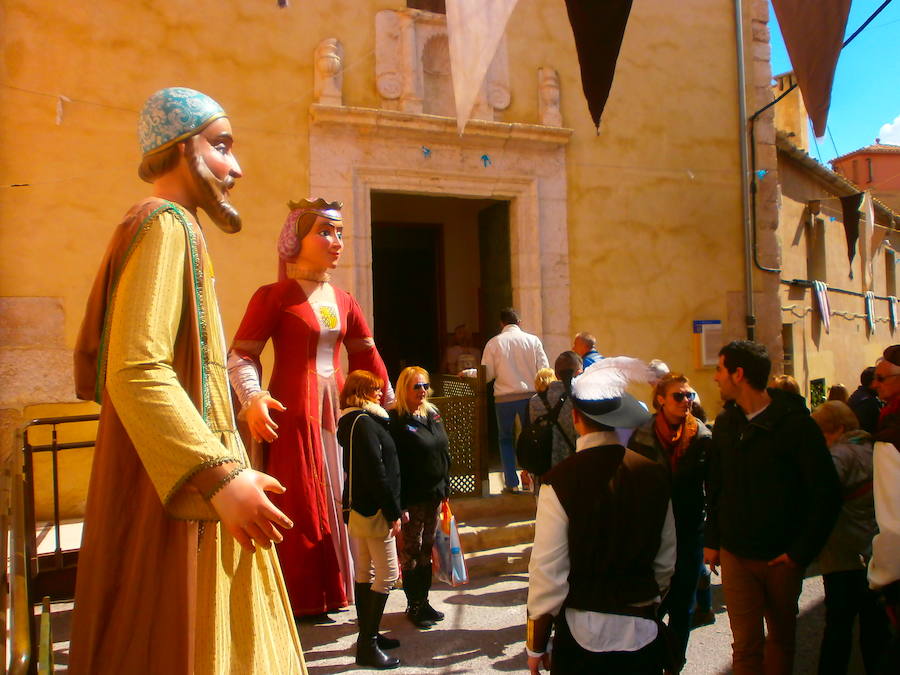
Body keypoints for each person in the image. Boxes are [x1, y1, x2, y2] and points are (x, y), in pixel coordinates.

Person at [70, 87, 305, 673]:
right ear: (181, 149)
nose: (237, 167)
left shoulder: (171, 227)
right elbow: (136, 368)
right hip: (196, 486)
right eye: (222, 147)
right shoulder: (166, 223)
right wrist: (220, 477)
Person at [227, 198, 393, 617]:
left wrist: (395, 406)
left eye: (339, 233)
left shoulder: (344, 299)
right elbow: (242, 355)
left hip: (340, 413)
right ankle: (303, 595)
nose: (336, 241)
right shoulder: (274, 296)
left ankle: (349, 585)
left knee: (346, 491)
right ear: (294, 239)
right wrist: (254, 397)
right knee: (300, 500)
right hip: (293, 413)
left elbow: (367, 358)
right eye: (324, 231)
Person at [526, 357, 675, 674]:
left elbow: (547, 574)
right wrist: (644, 602)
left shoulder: (560, 481)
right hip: (643, 632)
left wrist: (536, 643)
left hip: (582, 637)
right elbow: (665, 561)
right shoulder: (654, 474)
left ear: (576, 417)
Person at [705, 340, 842, 675]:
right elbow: (717, 485)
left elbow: (826, 493)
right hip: (736, 552)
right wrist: (712, 539)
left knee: (780, 640)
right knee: (745, 647)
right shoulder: (726, 423)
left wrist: (800, 553)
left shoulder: (796, 425)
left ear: (738, 374)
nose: (716, 378)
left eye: (720, 369)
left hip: (781, 556)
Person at [628, 372, 712, 671]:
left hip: (689, 529)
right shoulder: (643, 434)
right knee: (652, 601)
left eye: (689, 395)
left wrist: (712, 537)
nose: (686, 401)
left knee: (684, 605)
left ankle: (675, 663)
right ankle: (651, 658)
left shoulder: (701, 436)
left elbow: (713, 488)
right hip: (652, 531)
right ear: (661, 399)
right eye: (679, 395)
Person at [811, 401, 889, 674]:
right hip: (875, 550)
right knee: (874, 628)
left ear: (836, 430)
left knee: (838, 628)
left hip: (843, 553)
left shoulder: (839, 456)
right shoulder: (873, 449)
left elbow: (821, 497)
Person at [337, 370, 403, 669]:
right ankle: (367, 644)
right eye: (374, 389)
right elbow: (376, 472)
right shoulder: (363, 423)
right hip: (374, 508)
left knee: (365, 569)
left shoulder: (355, 421)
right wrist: (392, 510)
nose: (380, 393)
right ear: (360, 392)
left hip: (360, 506)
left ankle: (370, 635)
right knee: (387, 574)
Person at [390, 366, 451, 628]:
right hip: (412, 498)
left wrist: (446, 489)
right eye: (417, 386)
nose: (423, 391)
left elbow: (443, 452)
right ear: (404, 388)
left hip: (434, 494)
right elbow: (394, 465)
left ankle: (424, 601)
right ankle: (413, 605)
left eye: (425, 385)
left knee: (427, 550)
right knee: (411, 553)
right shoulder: (396, 419)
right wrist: (399, 504)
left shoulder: (432, 413)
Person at [481, 307, 549, 493]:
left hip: (503, 399)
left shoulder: (494, 343)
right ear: (519, 322)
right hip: (529, 397)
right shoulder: (533, 341)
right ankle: (531, 478)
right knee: (532, 438)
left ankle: (511, 482)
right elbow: (544, 370)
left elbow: (487, 374)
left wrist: (470, 374)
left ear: (501, 324)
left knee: (505, 439)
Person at [868, 346, 900, 672]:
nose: (875, 385)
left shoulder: (890, 436)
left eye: (881, 378)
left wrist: (881, 577)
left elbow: (893, 524)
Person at [527, 352, 582, 494]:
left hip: (545, 470)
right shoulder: (581, 398)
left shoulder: (535, 401)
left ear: (556, 373)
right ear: (579, 372)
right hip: (574, 468)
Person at [849, 366, 883, 434]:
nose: (882, 384)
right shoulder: (868, 402)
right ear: (873, 382)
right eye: (880, 379)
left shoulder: (858, 395)